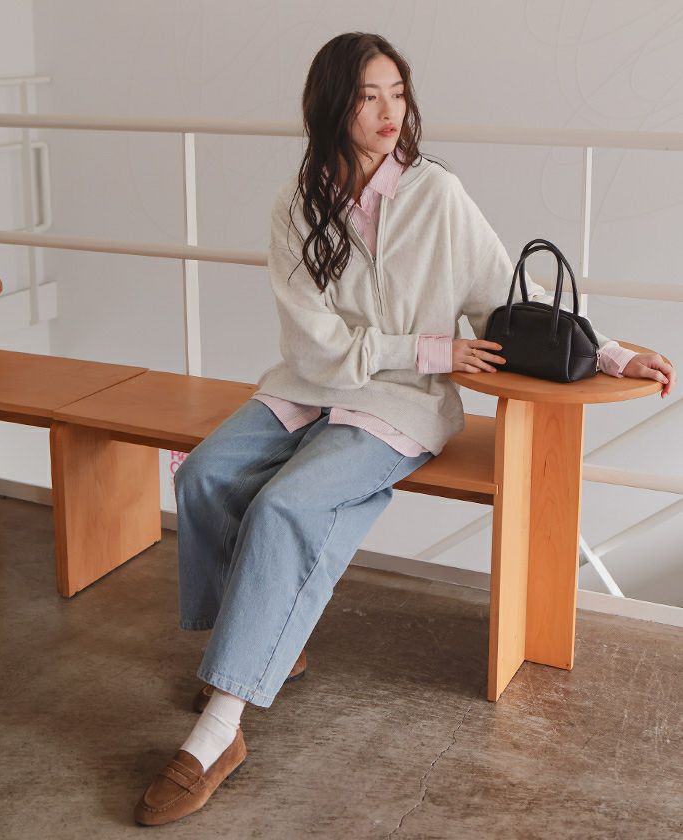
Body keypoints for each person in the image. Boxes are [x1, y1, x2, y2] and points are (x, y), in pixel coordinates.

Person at [134, 32, 677, 826]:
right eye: (368, 96)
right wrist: (427, 346)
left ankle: (221, 725)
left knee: (286, 506)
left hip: (400, 405)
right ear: (333, 107)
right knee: (207, 473)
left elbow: (507, 296)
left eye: (397, 92)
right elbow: (312, 343)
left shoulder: (437, 195)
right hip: (308, 387)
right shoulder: (296, 206)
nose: (389, 111)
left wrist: (614, 352)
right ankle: (265, 646)